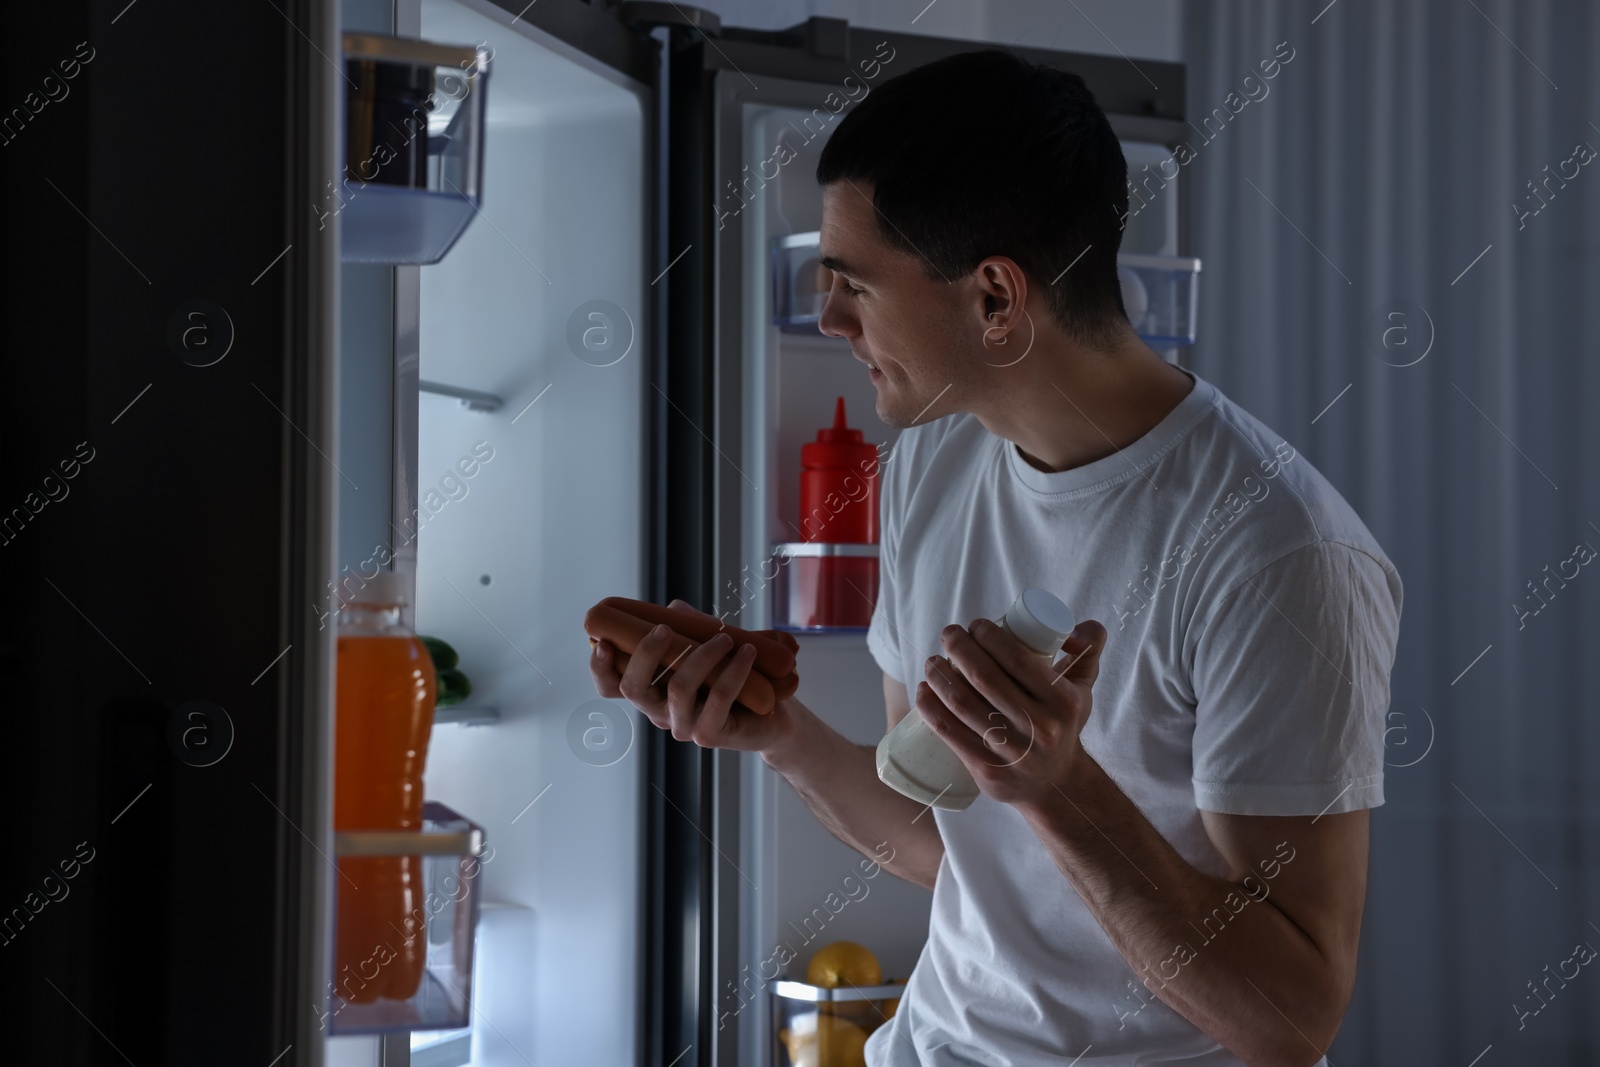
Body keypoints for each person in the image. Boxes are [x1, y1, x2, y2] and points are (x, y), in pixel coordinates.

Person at [589, 47, 1402, 1067]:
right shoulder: (933, 460)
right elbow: (954, 850)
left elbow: (1290, 1014)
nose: (831, 317)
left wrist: (1060, 788)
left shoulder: (1278, 552)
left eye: (853, 284)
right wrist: (779, 734)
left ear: (995, 299)